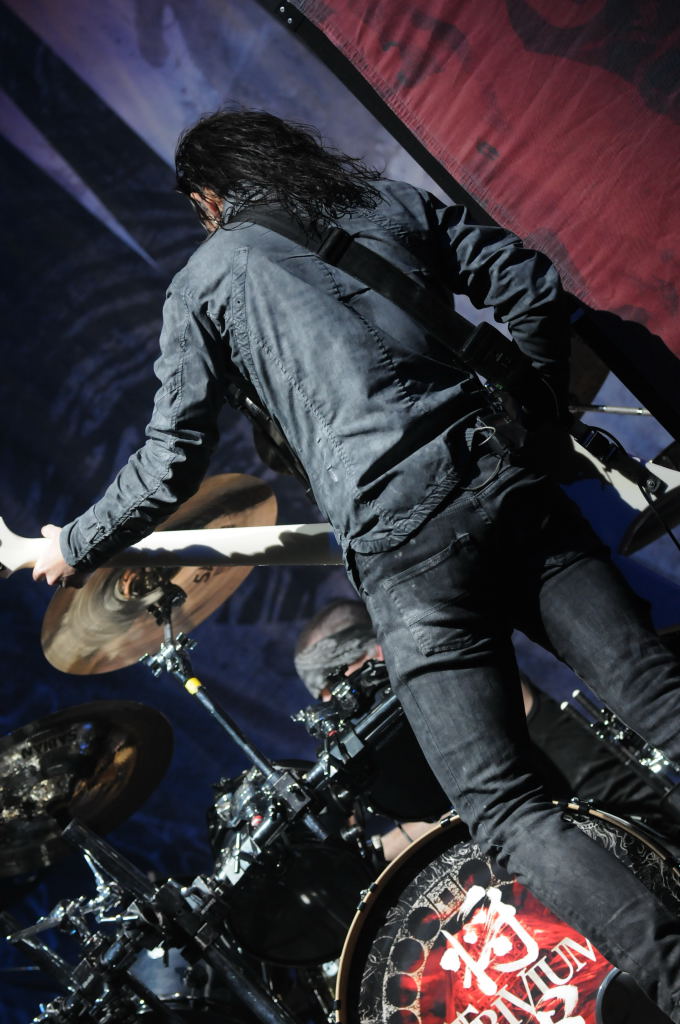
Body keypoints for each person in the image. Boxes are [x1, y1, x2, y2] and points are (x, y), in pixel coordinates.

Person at [31, 107, 680, 1018]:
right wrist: (529, 419)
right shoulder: (378, 200)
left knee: (503, 807)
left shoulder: (203, 284)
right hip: (507, 484)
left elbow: (171, 461)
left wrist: (67, 543)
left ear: (207, 198)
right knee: (659, 696)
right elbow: (527, 283)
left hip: (406, 551)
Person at [294, 598, 680, 856]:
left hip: (625, 822)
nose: (337, 703)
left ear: (376, 654)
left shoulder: (451, 666)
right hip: (575, 845)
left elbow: (488, 786)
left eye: (338, 685)